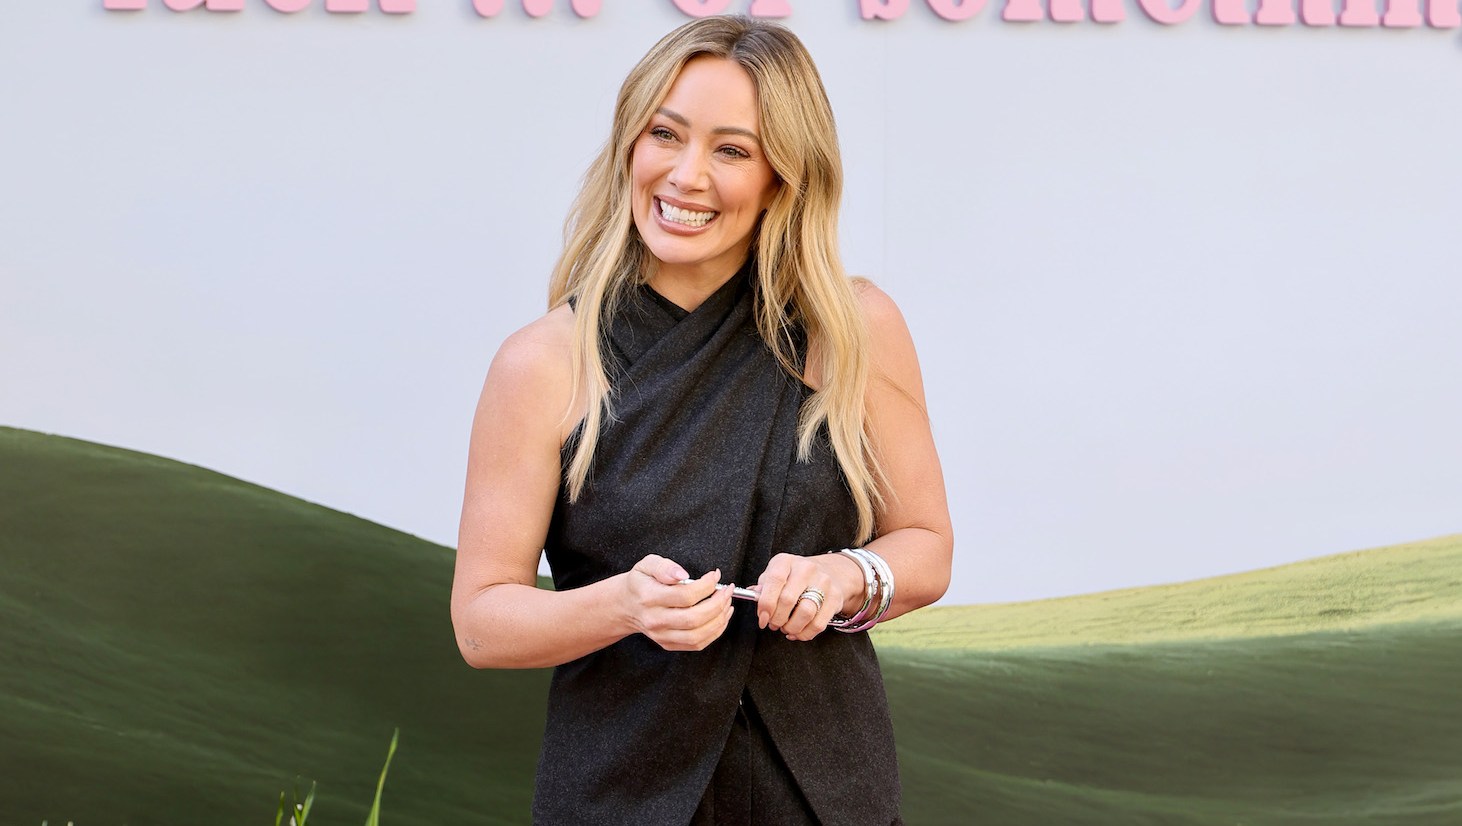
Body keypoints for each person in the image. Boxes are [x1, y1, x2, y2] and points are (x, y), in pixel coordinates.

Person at [450, 15, 952, 826]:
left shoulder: (855, 330)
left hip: (827, 796)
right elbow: (481, 623)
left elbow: (926, 547)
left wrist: (843, 576)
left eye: (732, 150)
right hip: (617, 797)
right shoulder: (543, 363)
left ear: (784, 177)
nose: (686, 176)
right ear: (629, 144)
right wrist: (623, 607)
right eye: (665, 134)